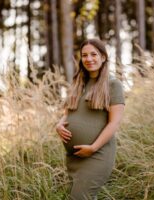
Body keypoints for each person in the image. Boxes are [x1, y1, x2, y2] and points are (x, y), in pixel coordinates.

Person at [56, 38, 125, 200]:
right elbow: (69, 111)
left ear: (103, 57)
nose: (89, 59)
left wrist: (93, 148)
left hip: (97, 155)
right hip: (74, 157)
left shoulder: (113, 85)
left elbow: (114, 123)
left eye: (94, 54)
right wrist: (59, 124)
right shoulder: (79, 83)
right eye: (84, 55)